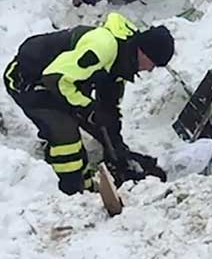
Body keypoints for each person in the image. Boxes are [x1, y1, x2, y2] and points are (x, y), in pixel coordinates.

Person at [3, 12, 173, 194]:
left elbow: (108, 110)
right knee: (66, 131)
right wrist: (88, 109)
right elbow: (55, 79)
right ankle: (73, 188)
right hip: (28, 79)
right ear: (144, 52)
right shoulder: (104, 47)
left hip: (65, 81)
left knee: (99, 122)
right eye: (153, 63)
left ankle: (92, 170)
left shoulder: (123, 60)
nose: (151, 69)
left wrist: (119, 152)